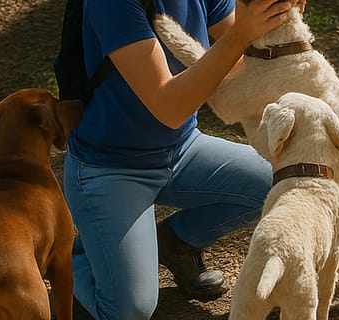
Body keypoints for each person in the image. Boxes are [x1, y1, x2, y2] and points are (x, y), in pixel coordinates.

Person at [61, 0, 306, 318]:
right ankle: (75, 260)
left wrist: (277, 19)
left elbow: (240, 63)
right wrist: (240, 36)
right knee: (129, 310)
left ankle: (176, 242)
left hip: (183, 149)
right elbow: (169, 107)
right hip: (109, 169)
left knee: (286, 183)